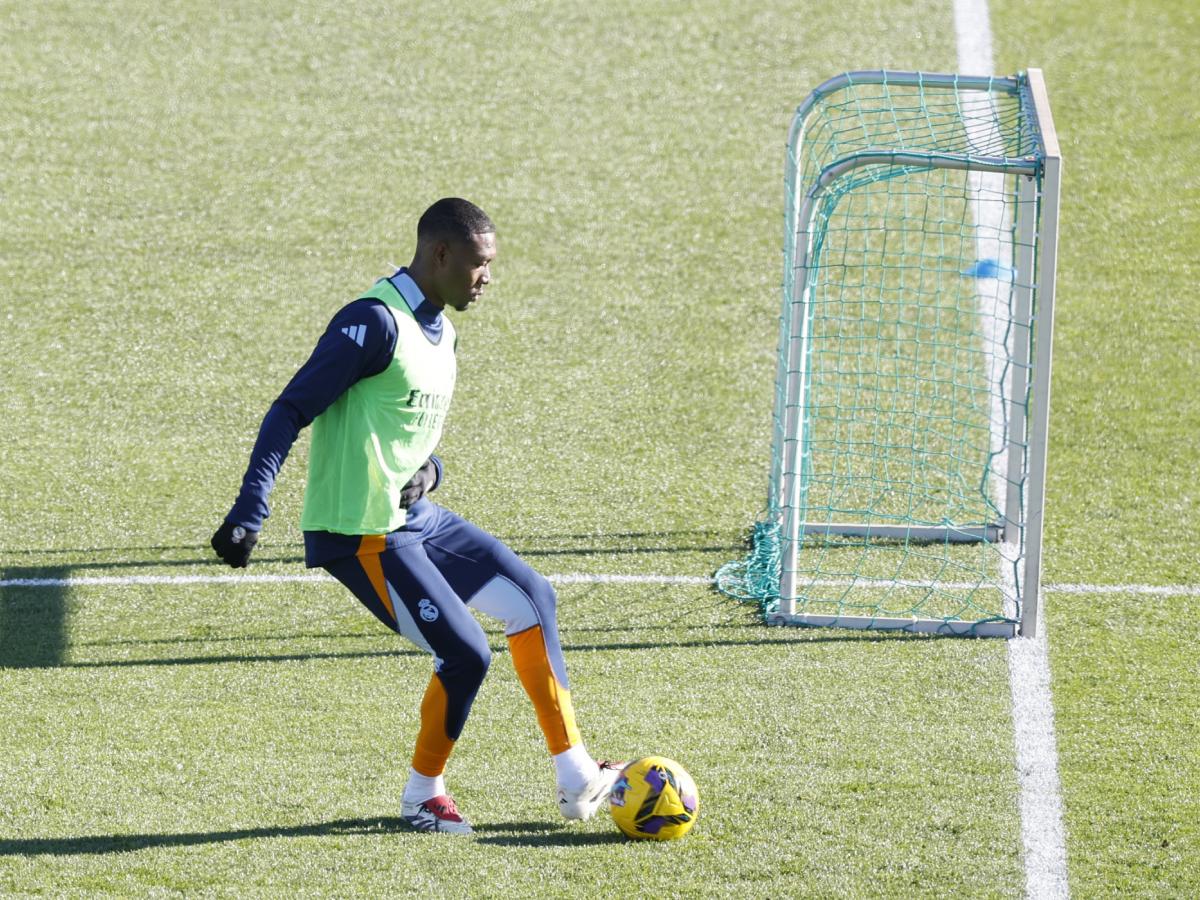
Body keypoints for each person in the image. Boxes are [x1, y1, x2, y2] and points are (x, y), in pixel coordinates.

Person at [211, 198, 620, 834]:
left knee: (532, 598)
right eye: (480, 265)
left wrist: (432, 472)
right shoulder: (372, 323)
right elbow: (289, 410)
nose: (487, 278)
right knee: (466, 654)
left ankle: (577, 775)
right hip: (360, 532)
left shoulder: (444, 330)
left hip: (414, 519)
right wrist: (250, 508)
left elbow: (410, 436)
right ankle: (421, 796)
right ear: (441, 255)